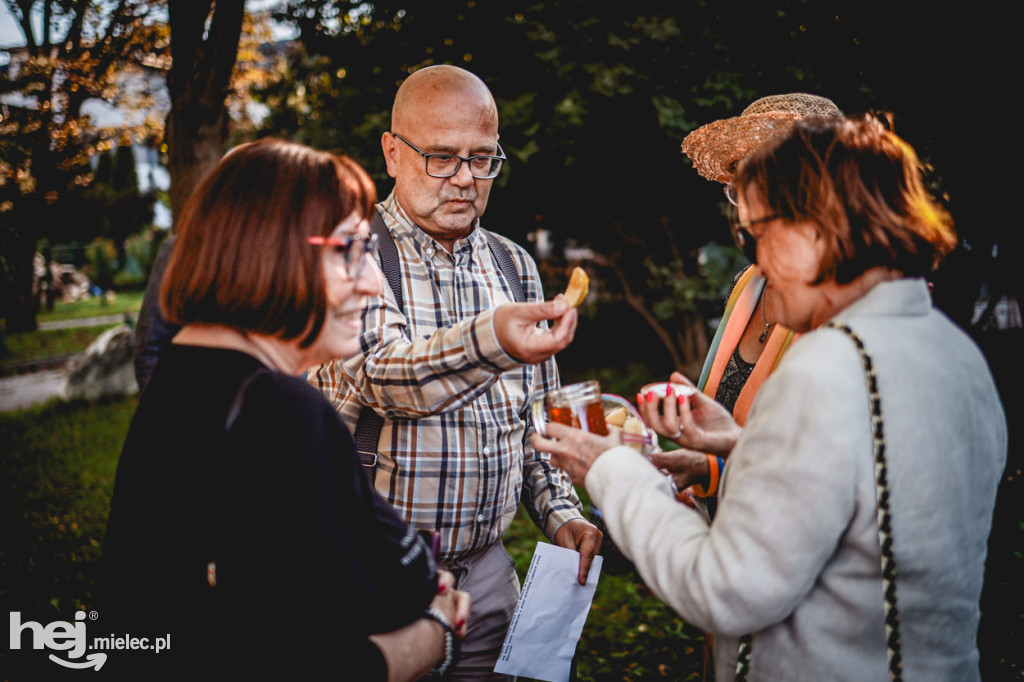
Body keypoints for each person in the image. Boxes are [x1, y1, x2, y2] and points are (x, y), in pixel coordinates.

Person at [534, 115, 1007, 681]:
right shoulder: (958, 354)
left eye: (754, 233)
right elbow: (864, 493)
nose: (753, 258)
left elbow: (726, 589)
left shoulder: (825, 368)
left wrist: (609, 467)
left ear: (817, 229)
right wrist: (744, 442)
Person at [101, 138, 470, 681]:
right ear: (271, 249)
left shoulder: (185, 372)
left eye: (370, 250)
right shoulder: (281, 410)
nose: (372, 283)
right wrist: (434, 633)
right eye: (348, 250)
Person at [307, 64, 602, 680]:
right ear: (392, 152)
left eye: (483, 158)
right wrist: (494, 338)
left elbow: (534, 425)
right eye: (441, 157)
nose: (466, 178)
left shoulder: (515, 266)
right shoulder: (355, 253)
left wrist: (562, 513)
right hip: (377, 572)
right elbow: (386, 378)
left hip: (492, 578)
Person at [654, 93, 844, 508]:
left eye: (773, 186)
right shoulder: (748, 285)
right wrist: (707, 471)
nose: (748, 215)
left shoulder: (849, 310)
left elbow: (831, 478)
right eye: (740, 190)